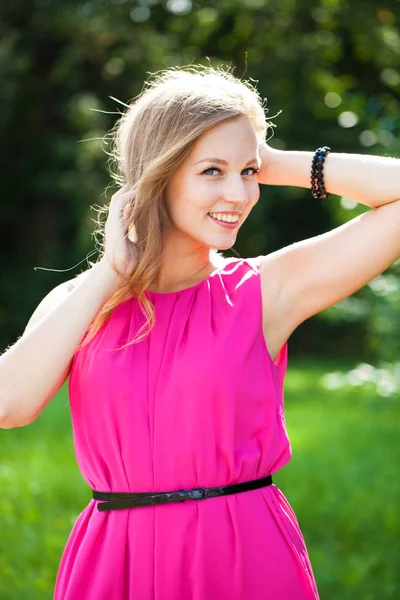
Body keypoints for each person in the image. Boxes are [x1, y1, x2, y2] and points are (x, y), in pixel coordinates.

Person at [1, 66, 399, 600]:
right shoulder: (80, 301)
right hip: (114, 560)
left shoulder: (266, 291)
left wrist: (272, 161)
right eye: (212, 171)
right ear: (159, 176)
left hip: (243, 555)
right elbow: (10, 405)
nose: (239, 192)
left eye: (247, 172)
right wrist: (109, 275)